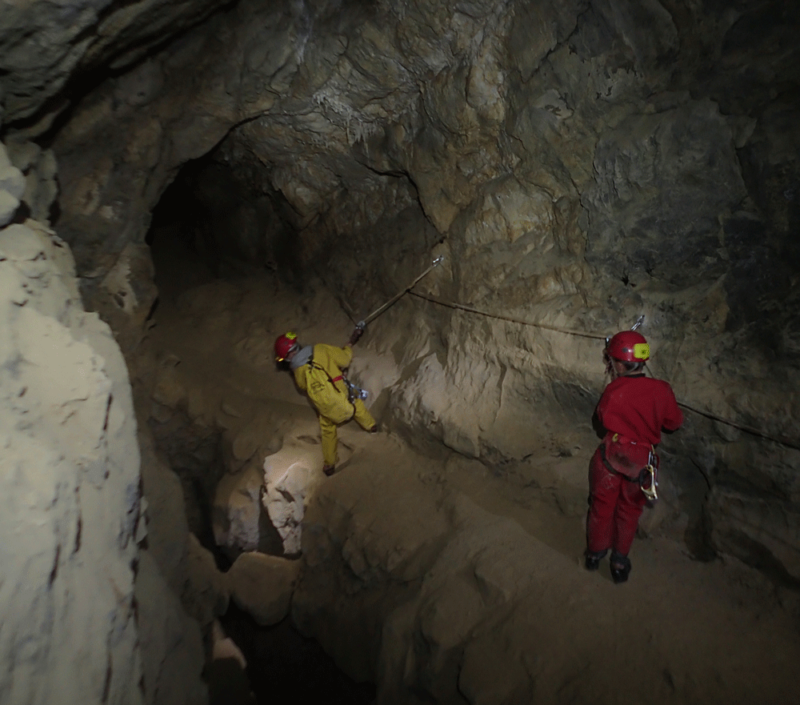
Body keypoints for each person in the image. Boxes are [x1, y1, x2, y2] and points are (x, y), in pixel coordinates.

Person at [584, 330, 683, 583]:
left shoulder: (613, 390)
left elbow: (602, 419)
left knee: (601, 508)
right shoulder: (662, 390)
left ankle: (594, 555)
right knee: (629, 512)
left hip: (611, 457)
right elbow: (673, 423)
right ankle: (618, 564)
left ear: (618, 363)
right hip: (641, 463)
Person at [274, 327, 377, 476]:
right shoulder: (320, 349)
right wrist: (348, 346)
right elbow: (345, 359)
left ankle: (329, 463)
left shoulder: (297, 372)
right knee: (354, 402)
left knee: (327, 428)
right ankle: (371, 426)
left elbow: (303, 386)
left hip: (327, 410)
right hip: (344, 400)